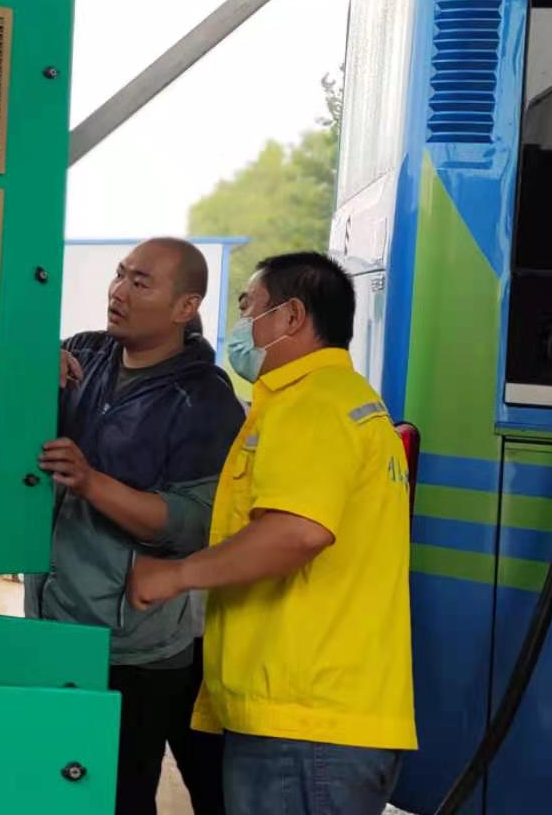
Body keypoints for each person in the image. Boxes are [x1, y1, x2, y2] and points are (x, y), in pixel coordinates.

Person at [127, 252, 414, 815]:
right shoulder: (344, 401)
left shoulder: (312, 404)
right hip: (319, 720)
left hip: (304, 723)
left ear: (291, 317)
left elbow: (298, 531)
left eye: (248, 309)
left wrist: (176, 575)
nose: (242, 327)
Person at [32, 237, 245, 815]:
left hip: (136, 647)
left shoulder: (204, 400)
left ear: (185, 307)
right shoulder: (83, 354)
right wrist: (29, 362)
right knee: (60, 789)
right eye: (120, 274)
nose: (118, 291)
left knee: (120, 794)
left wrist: (90, 481)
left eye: (140, 282)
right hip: (56, 626)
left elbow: (192, 525)